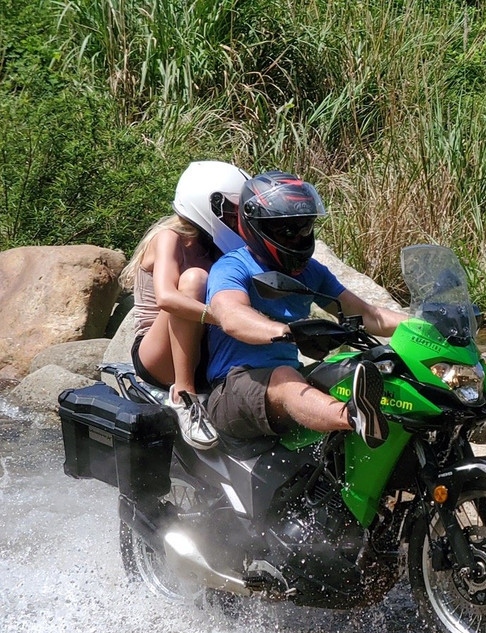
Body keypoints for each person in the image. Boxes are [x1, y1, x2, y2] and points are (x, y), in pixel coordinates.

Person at [203, 170, 407, 447]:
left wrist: (422, 327)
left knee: (358, 366)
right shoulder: (233, 266)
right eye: (287, 230)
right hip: (232, 388)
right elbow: (231, 316)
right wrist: (288, 332)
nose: (298, 238)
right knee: (284, 377)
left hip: (289, 379)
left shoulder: (312, 272)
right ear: (256, 226)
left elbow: (368, 315)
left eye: (304, 228)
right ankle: (354, 418)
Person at [121, 160, 250, 449]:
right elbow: (167, 298)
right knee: (194, 279)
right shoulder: (168, 238)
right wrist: (226, 318)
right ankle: (184, 396)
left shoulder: (219, 247)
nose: (236, 220)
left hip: (203, 351)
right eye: (231, 213)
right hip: (158, 356)